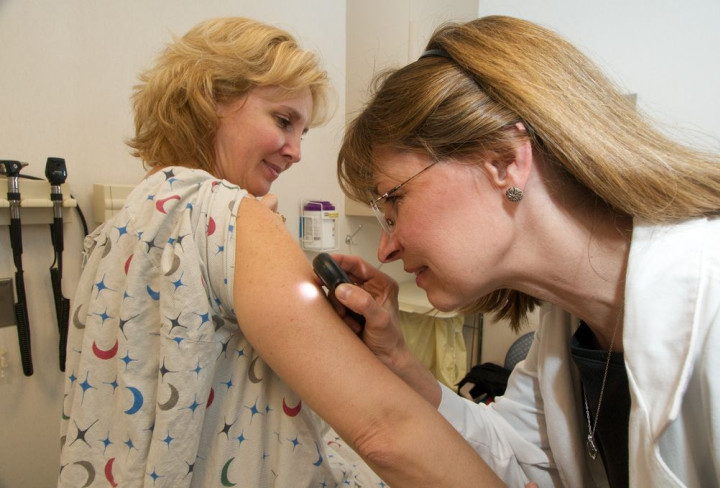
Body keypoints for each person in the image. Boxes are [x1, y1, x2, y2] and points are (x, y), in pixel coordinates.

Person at [58, 17, 505, 488]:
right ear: (210, 99)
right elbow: (383, 430)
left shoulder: (129, 219)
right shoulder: (232, 216)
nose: (295, 152)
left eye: (303, 132)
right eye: (283, 120)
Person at [333, 15, 720, 488]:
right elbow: (518, 457)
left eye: (393, 201)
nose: (385, 247)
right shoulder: (568, 325)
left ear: (504, 159)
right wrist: (399, 360)